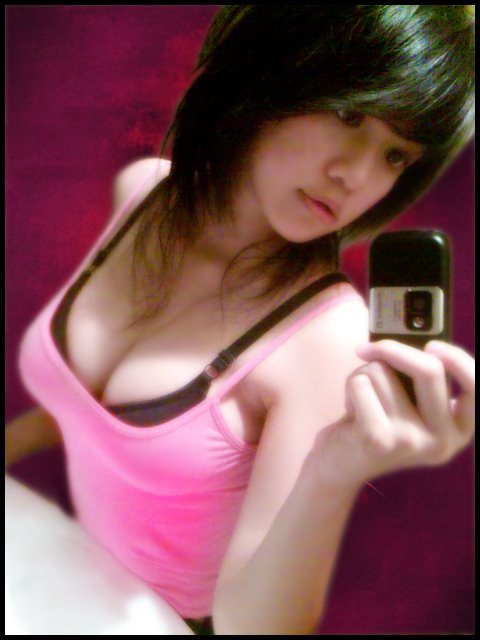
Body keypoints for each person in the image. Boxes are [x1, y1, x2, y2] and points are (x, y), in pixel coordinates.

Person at [5, 5, 475, 636]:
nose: (358, 176)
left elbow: (253, 628)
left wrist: (333, 473)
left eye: (396, 155)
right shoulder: (143, 193)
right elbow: (86, 413)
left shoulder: (324, 337)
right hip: (50, 576)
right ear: (275, 63)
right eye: (349, 114)